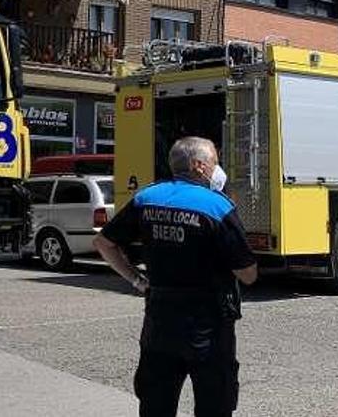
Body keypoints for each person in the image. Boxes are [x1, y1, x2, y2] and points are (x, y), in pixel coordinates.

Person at [93, 136, 258, 417]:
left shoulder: (146, 197)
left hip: (159, 322)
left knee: (156, 404)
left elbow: (104, 244)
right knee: (215, 403)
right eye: (214, 163)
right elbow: (248, 274)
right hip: (208, 326)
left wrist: (136, 279)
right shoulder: (217, 206)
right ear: (198, 166)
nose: (216, 169)